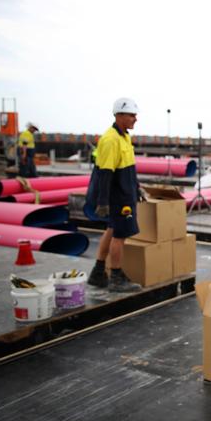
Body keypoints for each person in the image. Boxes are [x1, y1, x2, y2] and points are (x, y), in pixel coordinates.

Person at [86, 97, 143, 293]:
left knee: (112, 230)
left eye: (135, 115)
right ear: (119, 115)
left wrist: (137, 187)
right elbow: (105, 173)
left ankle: (98, 272)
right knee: (120, 235)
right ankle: (116, 277)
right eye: (131, 115)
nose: (135, 119)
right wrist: (103, 202)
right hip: (118, 197)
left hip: (125, 193)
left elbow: (128, 167)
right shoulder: (110, 139)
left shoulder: (124, 136)